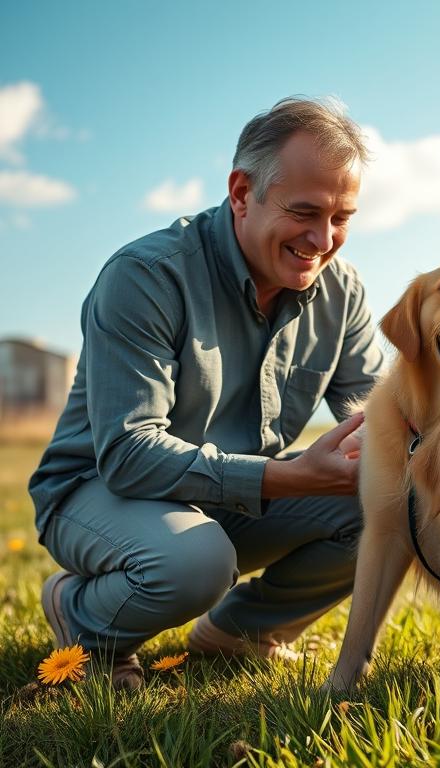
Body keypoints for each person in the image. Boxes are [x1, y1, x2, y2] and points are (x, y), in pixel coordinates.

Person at [28, 97, 383, 690]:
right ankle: (84, 619)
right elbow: (128, 454)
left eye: (342, 217)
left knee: (393, 502)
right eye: (305, 212)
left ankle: (241, 632)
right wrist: (289, 479)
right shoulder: (148, 276)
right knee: (195, 561)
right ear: (242, 192)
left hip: (233, 500)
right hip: (100, 490)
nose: (323, 239)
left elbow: (382, 418)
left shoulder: (340, 292)